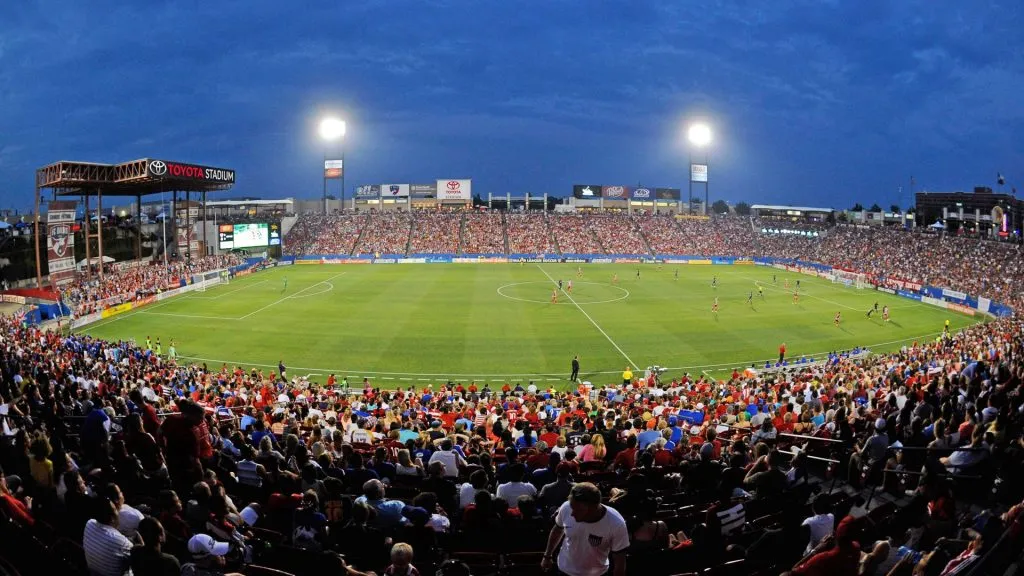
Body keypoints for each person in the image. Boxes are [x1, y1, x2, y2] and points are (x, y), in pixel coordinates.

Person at [541, 482, 629, 576]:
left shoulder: (616, 523)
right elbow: (557, 530)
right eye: (572, 508)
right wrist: (547, 555)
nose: (572, 514)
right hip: (564, 571)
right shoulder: (566, 507)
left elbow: (619, 561)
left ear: (594, 508)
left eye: (578, 510)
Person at [83, 499, 134, 576]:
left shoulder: (89, 523)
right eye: (115, 509)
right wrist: (141, 544)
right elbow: (138, 557)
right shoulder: (121, 541)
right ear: (112, 518)